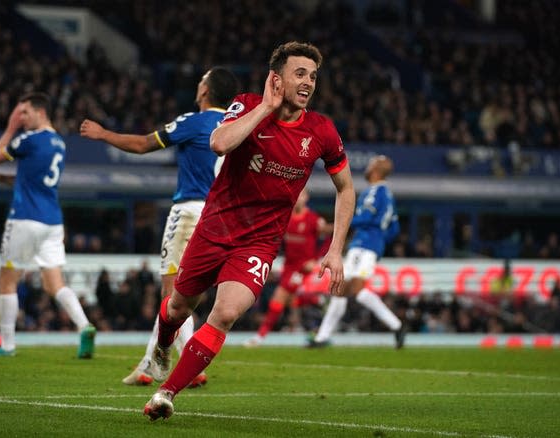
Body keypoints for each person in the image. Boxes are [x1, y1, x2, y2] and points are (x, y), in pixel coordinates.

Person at [143, 41, 355, 421]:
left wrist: (335, 248)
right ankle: (161, 346)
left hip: (258, 243)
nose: (308, 83)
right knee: (178, 306)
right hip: (214, 228)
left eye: (313, 76)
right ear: (277, 78)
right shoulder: (245, 103)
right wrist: (265, 108)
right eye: (300, 74)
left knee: (224, 313)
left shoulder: (322, 130)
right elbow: (218, 143)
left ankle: (166, 392)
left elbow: (346, 189)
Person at [80, 67, 239, 386]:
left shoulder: (194, 122)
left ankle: (157, 367)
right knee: (187, 298)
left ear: (205, 91)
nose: (198, 85)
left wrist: (104, 134)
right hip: (222, 218)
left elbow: (141, 145)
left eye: (201, 81)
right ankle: (163, 366)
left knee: (172, 297)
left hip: (190, 212)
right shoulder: (237, 127)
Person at [0, 92, 96, 358]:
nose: (21, 117)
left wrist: (11, 127)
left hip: (25, 218)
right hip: (52, 222)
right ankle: (84, 326)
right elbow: (26, 181)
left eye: (24, 112)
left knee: (7, 280)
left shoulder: (28, 139)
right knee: (54, 284)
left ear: (40, 112)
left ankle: (7, 345)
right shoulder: (58, 143)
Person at [308, 155, 406, 349]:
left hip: (363, 245)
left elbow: (365, 218)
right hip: (368, 246)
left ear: (376, 171)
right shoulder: (388, 195)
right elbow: (394, 228)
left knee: (357, 290)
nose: (367, 169)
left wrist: (334, 227)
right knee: (339, 290)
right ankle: (321, 337)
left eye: (370, 165)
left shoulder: (374, 192)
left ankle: (397, 325)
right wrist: (379, 241)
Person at [244, 188, 333, 346]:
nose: (298, 198)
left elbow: (328, 236)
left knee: (280, 298)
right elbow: (275, 240)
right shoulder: (286, 217)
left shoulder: (313, 219)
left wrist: (317, 259)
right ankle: (316, 306)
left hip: (304, 268)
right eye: (296, 195)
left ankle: (260, 337)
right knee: (289, 301)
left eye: (301, 195)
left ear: (306, 198)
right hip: (289, 267)